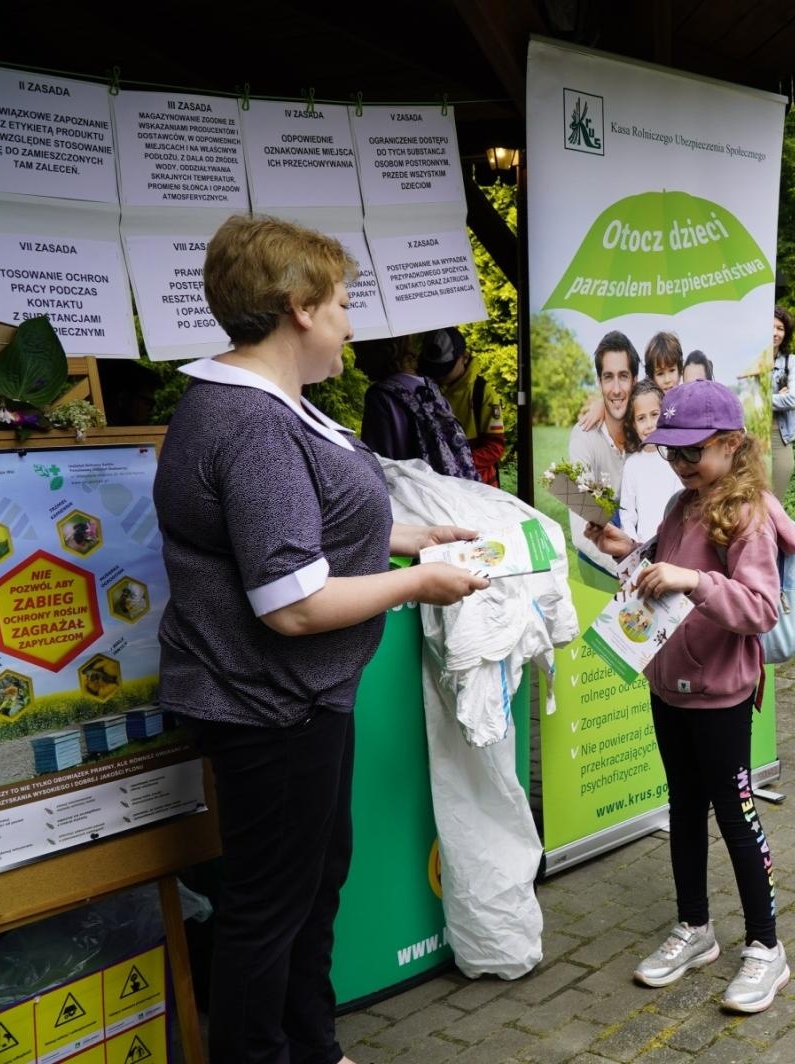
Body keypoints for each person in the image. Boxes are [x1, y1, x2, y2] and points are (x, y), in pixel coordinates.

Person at [154, 214, 487, 1064]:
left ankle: (312, 1043)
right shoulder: (251, 422)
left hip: (300, 702)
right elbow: (293, 601)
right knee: (270, 908)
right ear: (299, 307)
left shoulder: (271, 407)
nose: (350, 323)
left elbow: (308, 529)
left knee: (310, 888)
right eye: (342, 303)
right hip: (270, 708)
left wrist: (414, 538)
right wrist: (418, 582)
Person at [585, 379, 795, 1015]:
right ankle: (696, 929)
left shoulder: (748, 515)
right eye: (671, 455)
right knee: (682, 809)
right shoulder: (684, 504)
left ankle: (766, 946)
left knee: (735, 817)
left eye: (692, 454)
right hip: (668, 686)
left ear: (732, 446)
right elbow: (662, 570)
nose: (680, 466)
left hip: (720, 697)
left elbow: (760, 607)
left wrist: (697, 579)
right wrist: (630, 552)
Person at [358, 335, 479, 481]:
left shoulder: (380, 396)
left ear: (387, 351)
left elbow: (377, 466)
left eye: (361, 353)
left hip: (409, 495)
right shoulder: (430, 387)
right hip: (446, 489)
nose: (356, 364)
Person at [567, 331, 637, 576]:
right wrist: (630, 571)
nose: (616, 389)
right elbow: (579, 532)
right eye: (608, 377)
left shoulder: (646, 431)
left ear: (635, 381)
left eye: (623, 377)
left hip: (637, 548)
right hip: (600, 559)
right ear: (599, 382)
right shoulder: (583, 436)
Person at [419, 326, 508, 488]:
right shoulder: (429, 389)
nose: (439, 374)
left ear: (465, 358)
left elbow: (495, 447)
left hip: (479, 486)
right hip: (442, 485)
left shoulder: (483, 392)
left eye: (446, 368)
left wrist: (455, 462)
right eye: (434, 369)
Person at [617, 380, 683, 543]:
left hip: (674, 544)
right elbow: (627, 514)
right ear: (633, 423)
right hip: (644, 547)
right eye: (641, 418)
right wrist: (633, 544)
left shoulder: (675, 455)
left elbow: (680, 507)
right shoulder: (632, 465)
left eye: (654, 414)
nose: (649, 425)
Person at [770, 306, 795, 502]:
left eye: (780, 328)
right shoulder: (751, 360)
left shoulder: (792, 362)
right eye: (771, 327)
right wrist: (777, 398)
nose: (775, 333)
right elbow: (742, 399)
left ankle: (772, 534)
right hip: (749, 435)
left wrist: (762, 398)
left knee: (775, 501)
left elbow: (792, 399)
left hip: (779, 434)